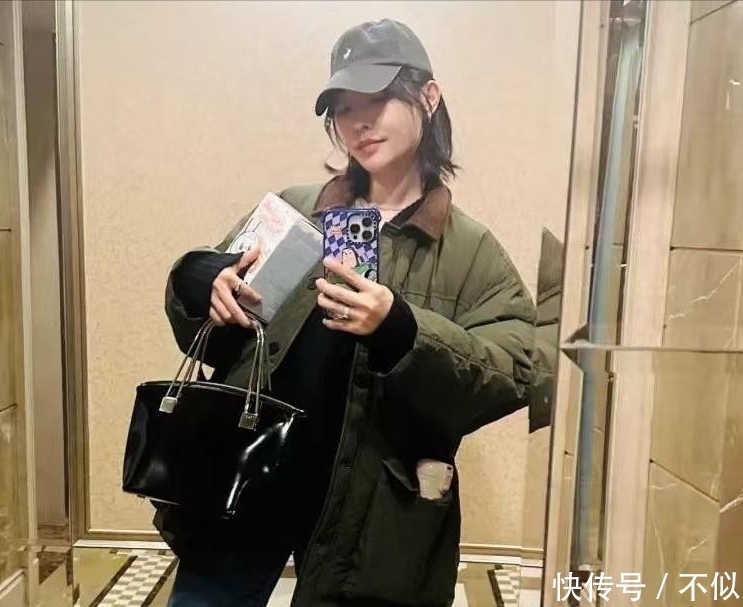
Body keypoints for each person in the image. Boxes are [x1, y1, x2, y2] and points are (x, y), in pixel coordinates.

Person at [157, 19, 536, 607]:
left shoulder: (467, 250)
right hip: (244, 475)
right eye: (344, 107)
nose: (359, 122)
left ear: (428, 96)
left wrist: (402, 332)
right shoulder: (293, 211)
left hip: (369, 511)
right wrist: (201, 280)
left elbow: (515, 369)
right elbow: (208, 329)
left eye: (377, 99)